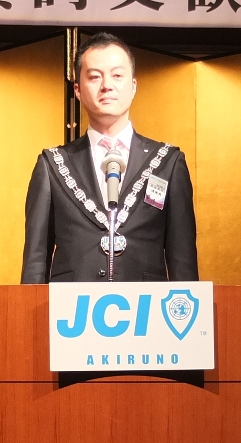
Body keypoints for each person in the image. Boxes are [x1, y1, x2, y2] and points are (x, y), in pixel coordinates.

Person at [21, 33, 198, 283]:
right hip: (72, 303)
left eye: (117, 75)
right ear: (77, 89)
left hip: (146, 302)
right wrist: (30, 306)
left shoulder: (168, 162)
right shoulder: (53, 164)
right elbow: (36, 260)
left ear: (133, 86)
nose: (106, 85)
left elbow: (183, 259)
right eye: (95, 77)